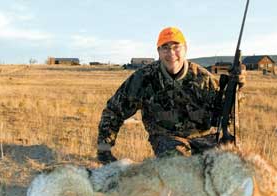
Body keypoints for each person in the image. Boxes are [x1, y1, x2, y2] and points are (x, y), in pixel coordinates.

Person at [97, 26, 246, 164]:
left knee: (231, 164)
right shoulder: (143, 78)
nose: (171, 53)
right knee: (178, 165)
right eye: (165, 48)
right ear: (158, 52)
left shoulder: (203, 78)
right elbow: (114, 111)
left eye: (176, 47)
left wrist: (237, 88)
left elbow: (228, 112)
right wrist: (104, 149)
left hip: (204, 138)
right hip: (166, 139)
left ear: (185, 49)